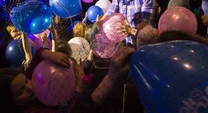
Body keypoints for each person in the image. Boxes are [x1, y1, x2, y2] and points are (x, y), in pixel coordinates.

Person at [0, 45, 135, 113]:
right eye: (20, 91)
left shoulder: (31, 81)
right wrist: (78, 89)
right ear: (9, 104)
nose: (30, 87)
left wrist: (46, 53)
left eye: (25, 81)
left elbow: (36, 59)